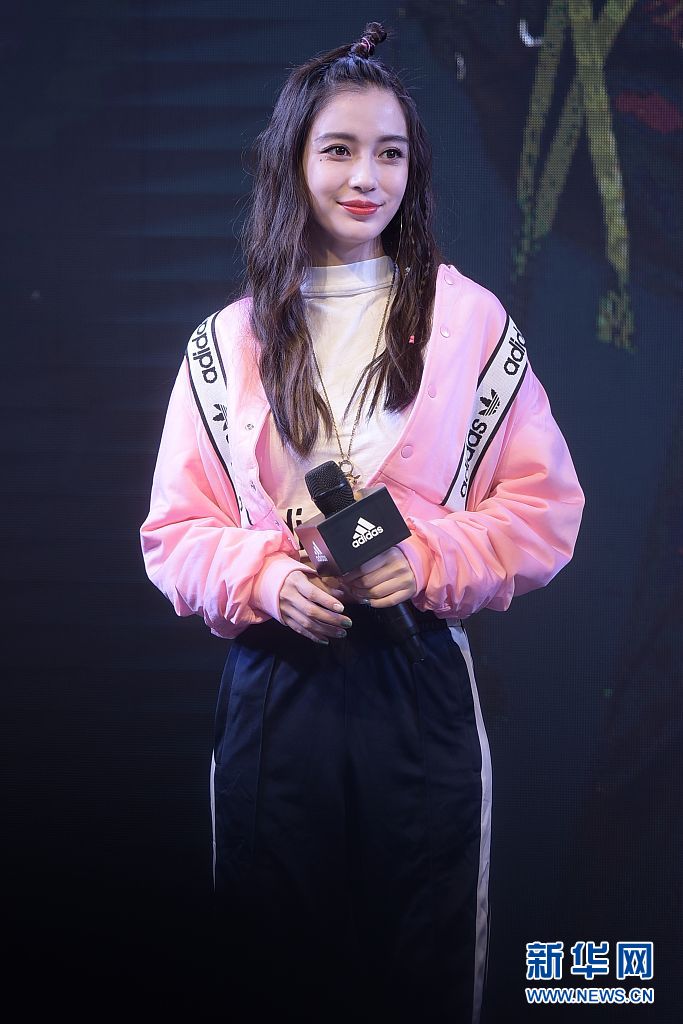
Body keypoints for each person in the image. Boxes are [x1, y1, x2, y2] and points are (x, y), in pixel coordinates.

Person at [140, 21, 584, 1024]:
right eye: (338, 149)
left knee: (421, 972)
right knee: (271, 972)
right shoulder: (226, 343)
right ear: (293, 160)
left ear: (412, 169)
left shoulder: (468, 322)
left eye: (389, 153)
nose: (364, 177)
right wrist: (264, 578)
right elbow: (173, 531)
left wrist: (425, 558)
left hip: (415, 680)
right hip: (275, 691)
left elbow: (543, 508)